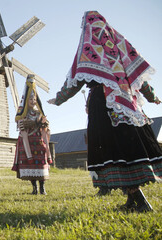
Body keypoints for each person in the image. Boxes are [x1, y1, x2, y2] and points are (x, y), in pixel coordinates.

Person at [48, 11, 161, 212]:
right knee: (128, 150)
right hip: (128, 104)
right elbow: (138, 77)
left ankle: (141, 202)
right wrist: (152, 96)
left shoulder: (89, 47)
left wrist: (59, 98)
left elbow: (77, 78)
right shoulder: (121, 45)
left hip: (105, 106)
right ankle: (132, 201)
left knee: (116, 152)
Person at [12, 75, 52, 195]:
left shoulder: (39, 113)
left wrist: (42, 124)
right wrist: (34, 123)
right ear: (26, 100)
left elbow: (45, 124)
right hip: (27, 141)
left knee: (40, 163)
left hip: (38, 140)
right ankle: (34, 188)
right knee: (31, 165)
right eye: (30, 99)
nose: (33, 101)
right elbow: (21, 124)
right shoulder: (22, 114)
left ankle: (42, 187)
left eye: (34, 99)